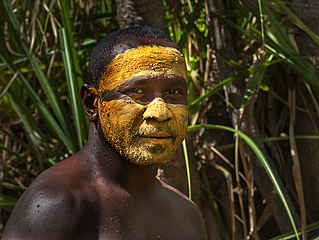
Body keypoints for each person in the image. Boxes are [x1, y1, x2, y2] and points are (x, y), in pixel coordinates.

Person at [2, 26, 207, 240]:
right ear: (92, 104)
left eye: (173, 92)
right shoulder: (58, 203)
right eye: (137, 91)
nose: (160, 112)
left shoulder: (186, 213)